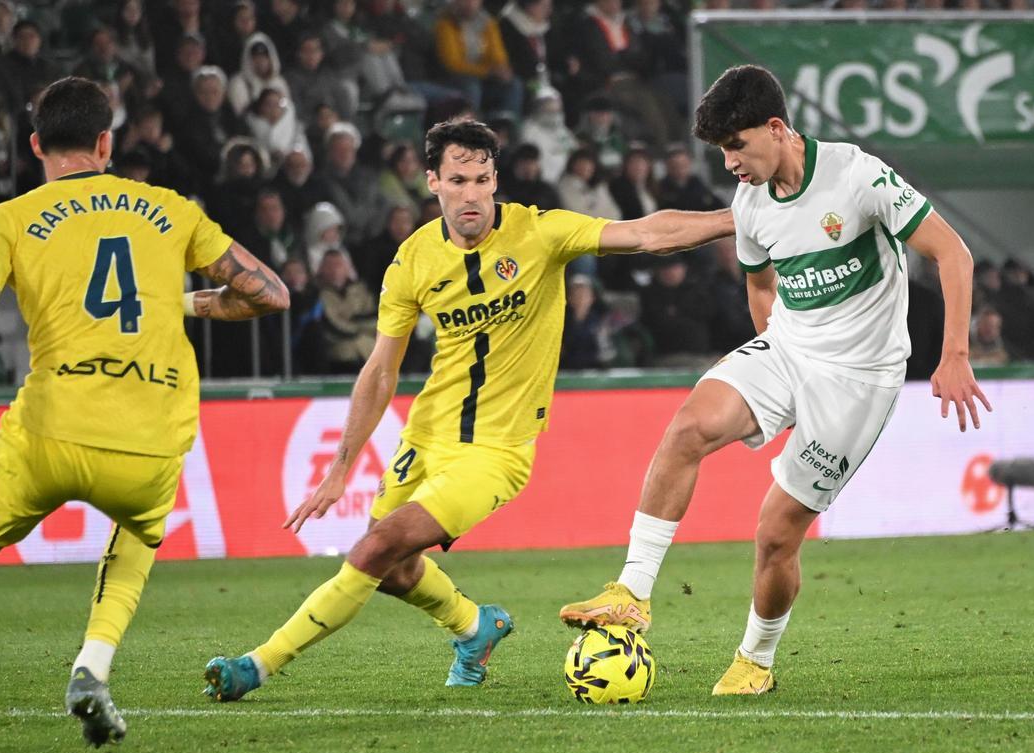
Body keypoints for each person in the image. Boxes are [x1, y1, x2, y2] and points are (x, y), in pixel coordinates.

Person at [202, 117, 735, 700]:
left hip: (496, 451)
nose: (473, 193)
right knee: (396, 569)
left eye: (483, 179)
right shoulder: (412, 260)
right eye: (458, 180)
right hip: (426, 437)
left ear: (495, 179)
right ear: (433, 181)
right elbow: (380, 369)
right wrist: (339, 469)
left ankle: (257, 665)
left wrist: (737, 219)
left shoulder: (541, 233)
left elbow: (646, 234)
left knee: (375, 549)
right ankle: (475, 627)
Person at [559, 65, 991, 695]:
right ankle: (632, 592)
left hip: (858, 378)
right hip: (789, 348)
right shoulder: (751, 202)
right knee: (687, 428)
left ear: (777, 127)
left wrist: (954, 353)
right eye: (721, 151)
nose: (730, 162)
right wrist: (768, 356)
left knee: (775, 534)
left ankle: (755, 660)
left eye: (737, 145)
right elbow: (760, 282)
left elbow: (953, 252)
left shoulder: (856, 175)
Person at [0, 77, 288, 746]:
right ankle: (92, 667)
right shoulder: (170, 209)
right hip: (149, 436)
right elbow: (271, 293)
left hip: (50, 430)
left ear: (36, 144)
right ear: (106, 141)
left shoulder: (8, 219)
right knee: (139, 534)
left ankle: (89, 670)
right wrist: (181, 304)